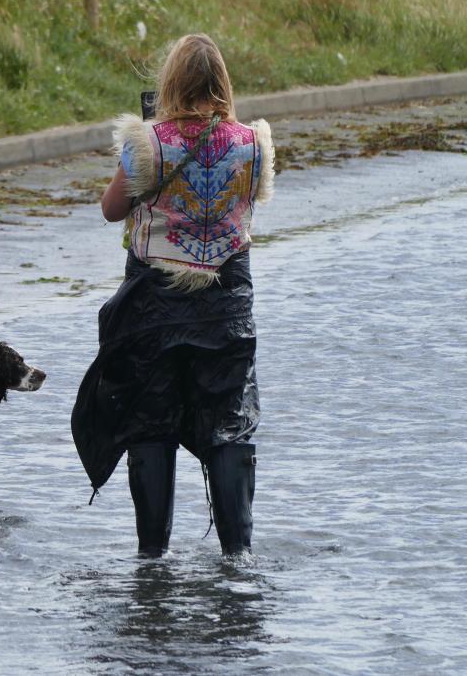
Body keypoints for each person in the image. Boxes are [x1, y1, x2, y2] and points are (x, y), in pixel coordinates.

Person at [71, 33, 274, 557]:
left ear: (171, 81)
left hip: (154, 304)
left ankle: (152, 555)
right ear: (222, 82)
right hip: (226, 301)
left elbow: (111, 208)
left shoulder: (148, 142)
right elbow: (248, 205)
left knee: (150, 421)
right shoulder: (253, 143)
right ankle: (238, 556)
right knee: (229, 421)